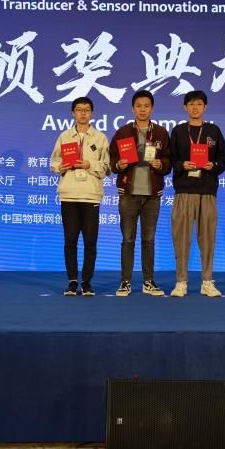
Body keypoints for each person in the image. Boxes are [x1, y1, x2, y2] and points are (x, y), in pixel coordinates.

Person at [109, 90, 171, 297]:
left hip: (152, 195)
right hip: (129, 193)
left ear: (151, 108)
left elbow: (169, 160)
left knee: (149, 240)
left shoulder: (161, 133)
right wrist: (119, 164)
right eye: (138, 106)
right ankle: (125, 282)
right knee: (128, 239)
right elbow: (112, 160)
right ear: (133, 108)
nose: (142, 109)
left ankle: (148, 281)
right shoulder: (123, 132)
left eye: (146, 106)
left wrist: (161, 164)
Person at [168, 90, 225, 298]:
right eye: (191, 104)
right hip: (184, 190)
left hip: (207, 190)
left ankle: (207, 282)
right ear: (185, 107)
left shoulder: (213, 131)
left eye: (199, 104)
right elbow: (170, 160)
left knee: (208, 238)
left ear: (205, 107)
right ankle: (181, 282)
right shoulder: (178, 131)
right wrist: (182, 164)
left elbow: (223, 160)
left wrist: (213, 165)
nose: (195, 108)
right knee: (181, 238)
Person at [50, 96, 110, 297]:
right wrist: (61, 167)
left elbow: (107, 167)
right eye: (79, 109)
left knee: (90, 242)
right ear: (73, 113)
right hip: (69, 194)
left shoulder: (100, 138)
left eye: (86, 109)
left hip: (91, 195)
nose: (83, 113)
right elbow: (53, 163)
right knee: (70, 241)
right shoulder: (64, 136)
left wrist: (89, 164)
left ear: (91, 113)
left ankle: (86, 282)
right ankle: (72, 281)